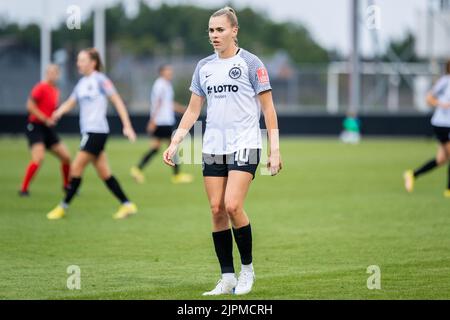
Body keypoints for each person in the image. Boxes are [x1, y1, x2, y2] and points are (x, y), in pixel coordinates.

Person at [162, 7, 282, 295]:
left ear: (234, 31)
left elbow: (268, 109)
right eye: (211, 31)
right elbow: (192, 110)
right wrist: (176, 141)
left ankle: (247, 271)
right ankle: (227, 277)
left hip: (246, 143)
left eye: (220, 30)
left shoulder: (252, 63)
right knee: (216, 210)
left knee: (232, 206)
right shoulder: (204, 67)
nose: (214, 35)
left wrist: (274, 151)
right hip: (213, 146)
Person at [46, 48, 138, 220]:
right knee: (105, 173)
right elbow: (70, 103)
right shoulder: (81, 84)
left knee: (76, 168)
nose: (78, 63)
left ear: (93, 63)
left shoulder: (100, 80)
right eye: (78, 60)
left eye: (82, 60)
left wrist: (127, 125)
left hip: (96, 131)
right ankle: (127, 205)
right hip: (89, 132)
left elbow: (117, 101)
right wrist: (57, 113)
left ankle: (62, 207)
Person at [130, 64, 193, 184]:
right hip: (162, 121)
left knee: (156, 148)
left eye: (171, 71)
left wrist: (183, 109)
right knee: (172, 146)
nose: (170, 73)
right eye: (168, 71)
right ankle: (177, 175)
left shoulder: (165, 85)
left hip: (163, 120)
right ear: (162, 72)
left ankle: (137, 169)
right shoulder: (161, 85)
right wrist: (153, 121)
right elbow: (158, 103)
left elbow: (167, 103)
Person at [19, 64, 71, 196]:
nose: (52, 75)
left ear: (58, 75)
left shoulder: (55, 90)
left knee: (66, 157)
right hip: (35, 127)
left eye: (54, 73)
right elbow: (30, 106)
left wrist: (56, 114)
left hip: (48, 128)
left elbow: (51, 108)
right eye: (49, 72)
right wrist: (45, 118)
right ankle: (24, 189)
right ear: (46, 74)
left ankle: (66, 186)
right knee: (39, 158)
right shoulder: (40, 87)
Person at [404, 60, 450, 198]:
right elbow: (429, 98)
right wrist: (442, 104)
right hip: (442, 124)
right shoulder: (445, 81)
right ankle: (449, 190)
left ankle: (412, 175)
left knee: (441, 159)